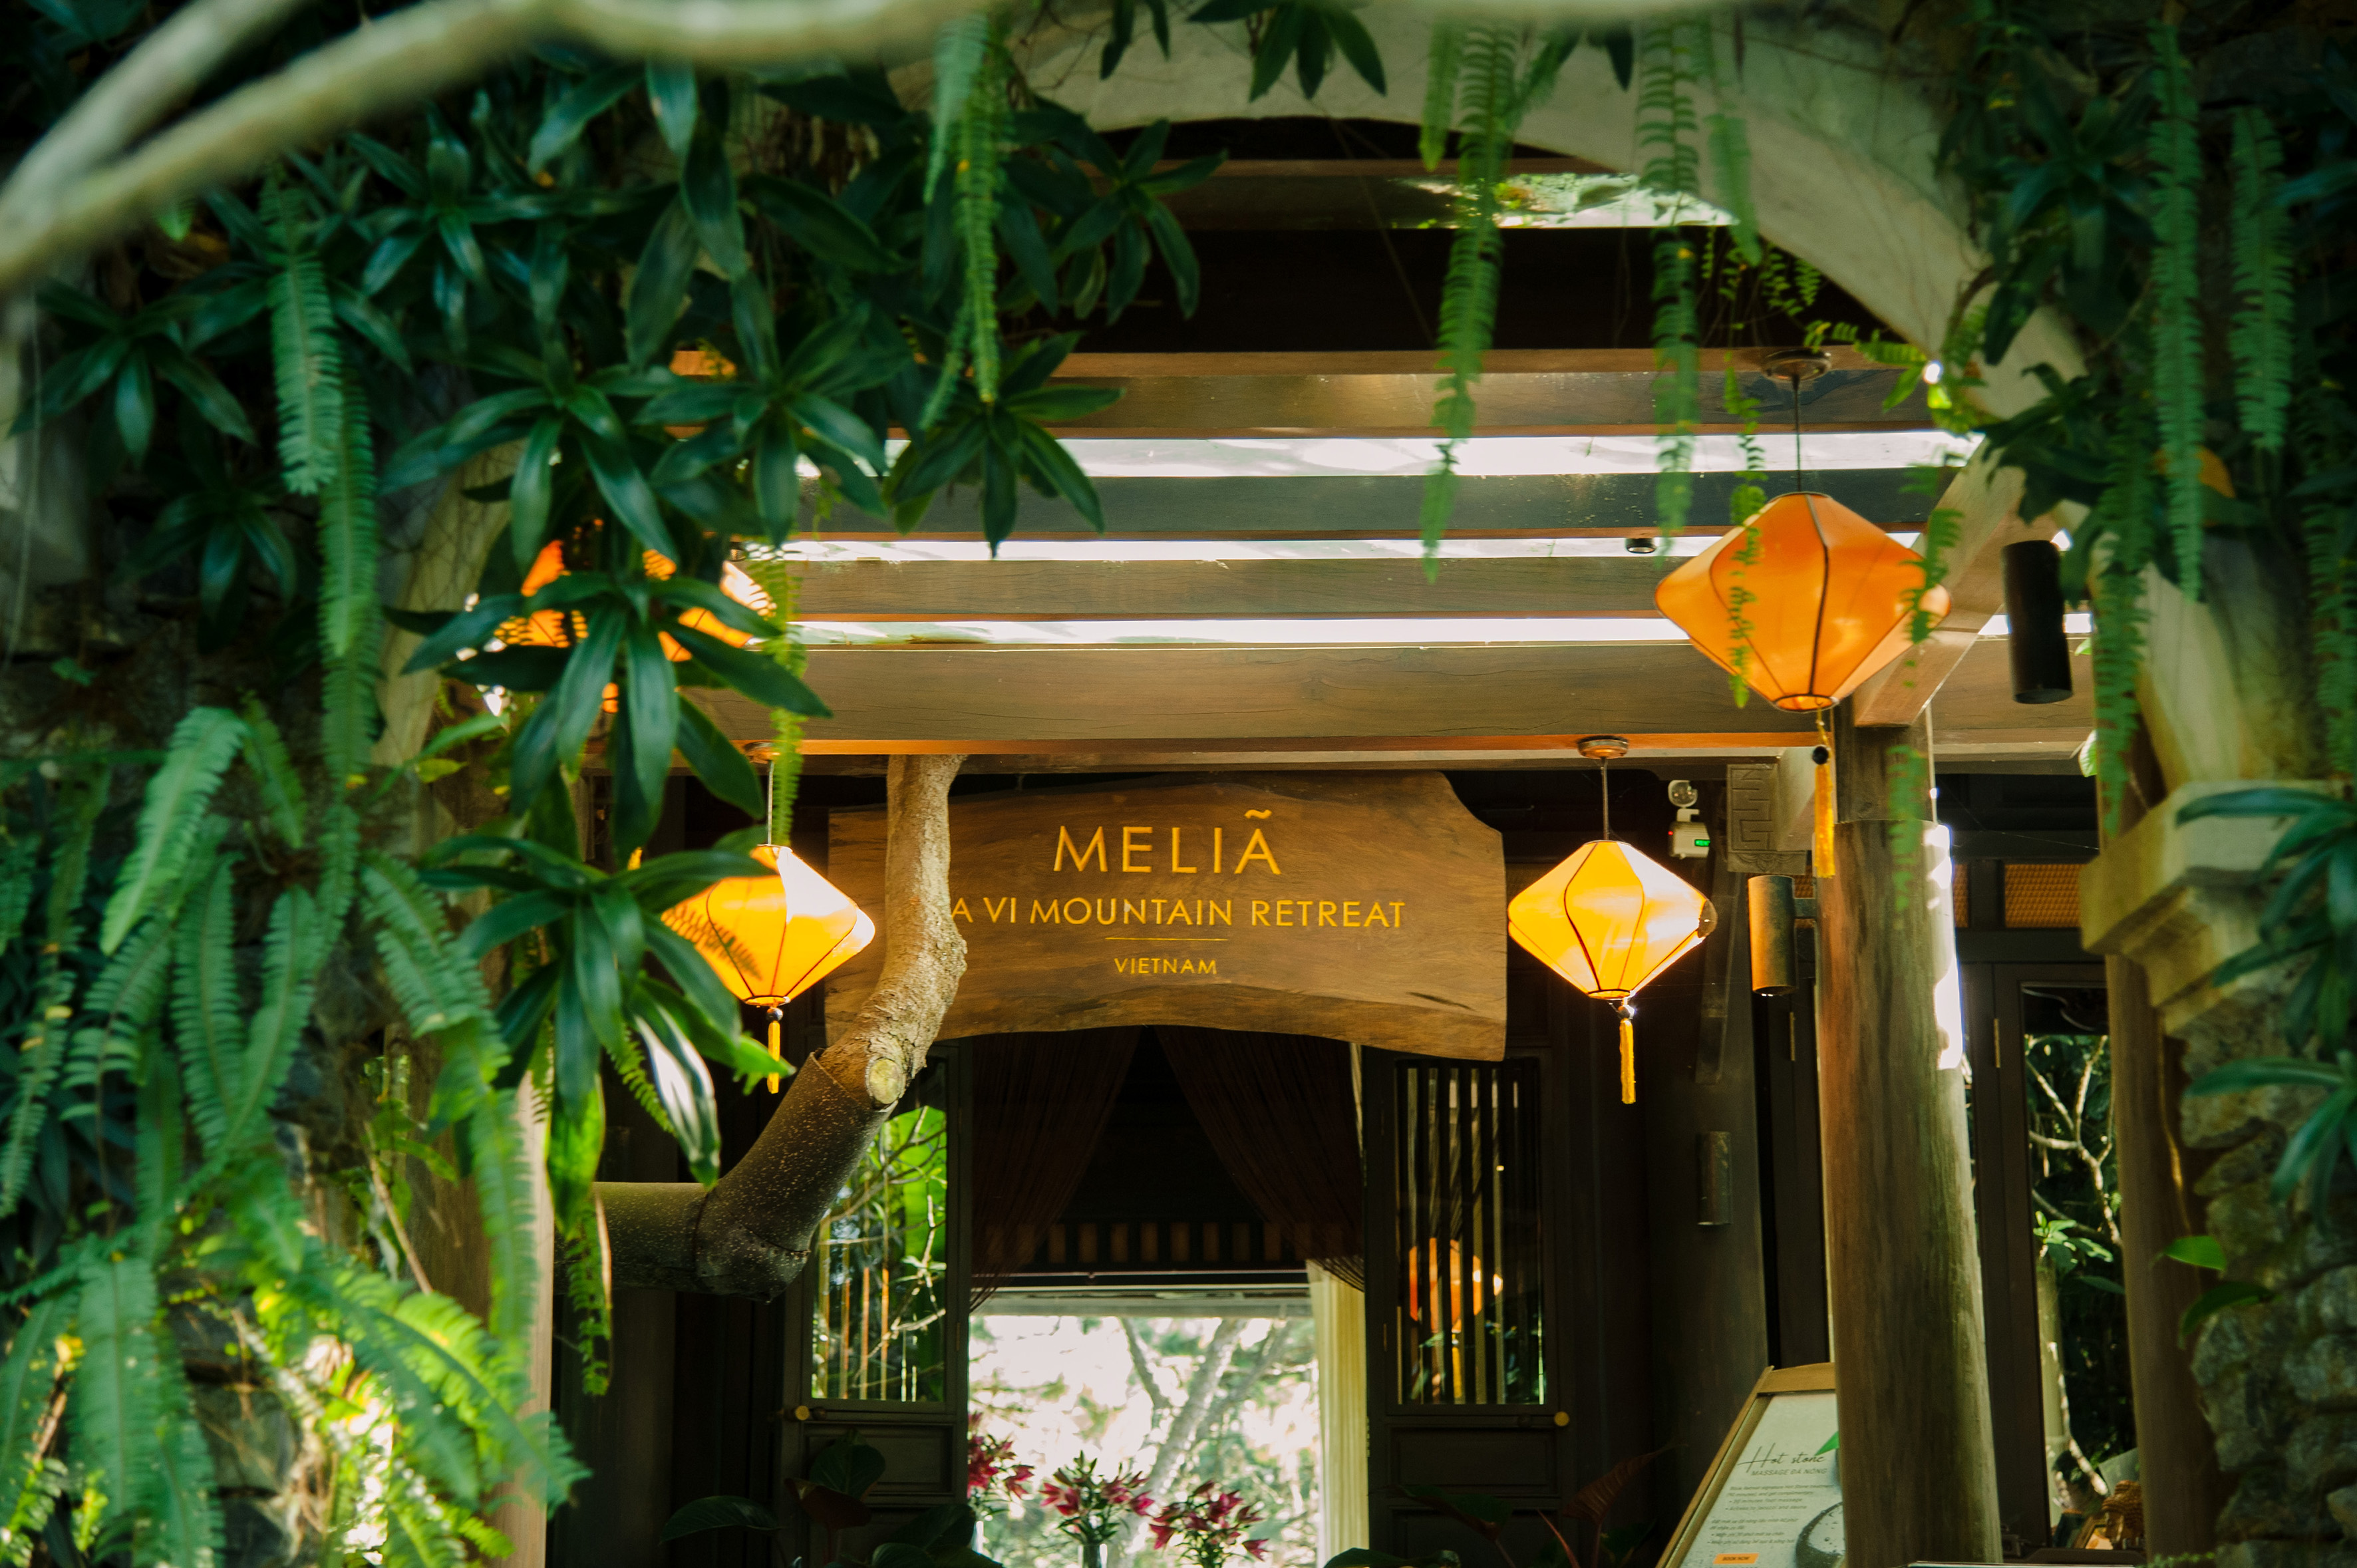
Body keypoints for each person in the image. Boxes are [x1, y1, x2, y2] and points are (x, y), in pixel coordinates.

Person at [2054, 1456, 2104, 1547]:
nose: (2061, 1501)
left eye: (2062, 1491)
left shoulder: (2098, 1517)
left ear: (2077, 1487)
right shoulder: (2082, 1518)